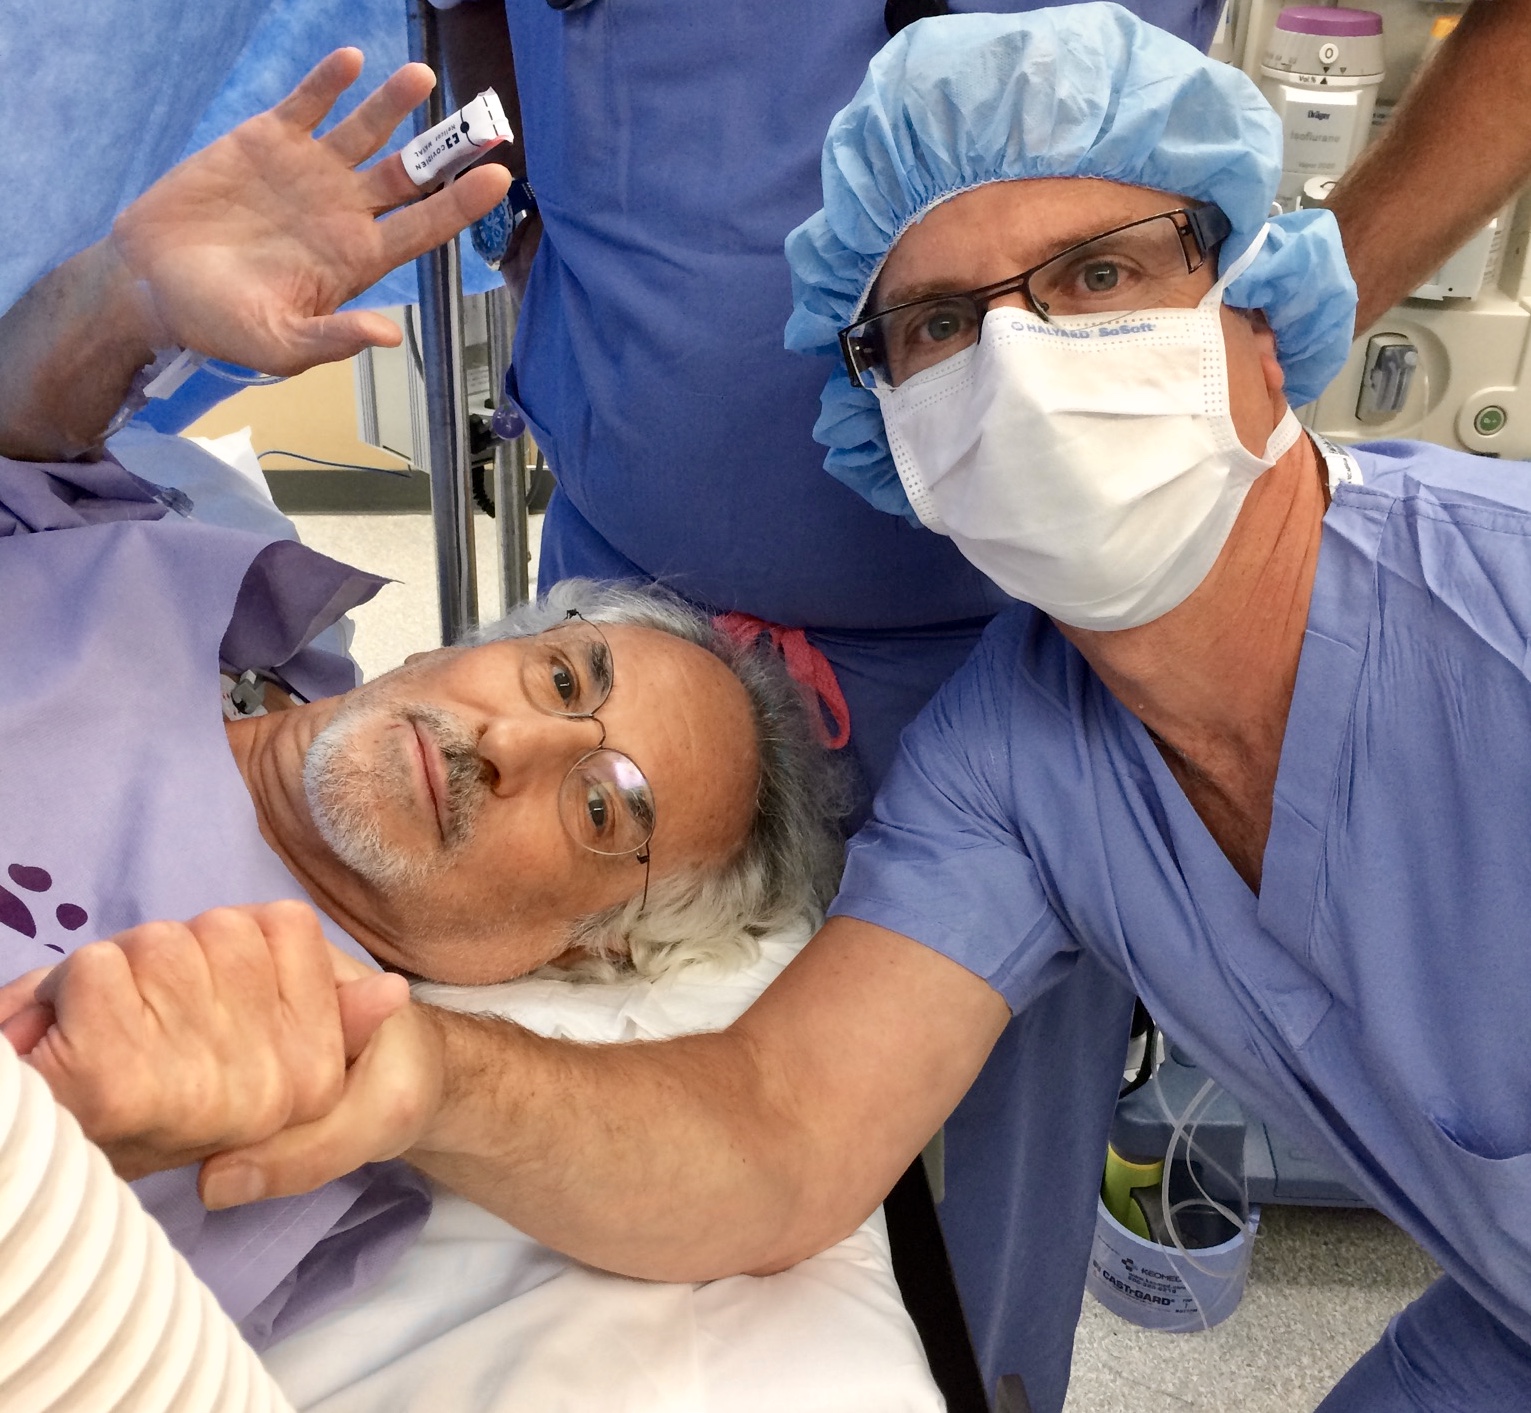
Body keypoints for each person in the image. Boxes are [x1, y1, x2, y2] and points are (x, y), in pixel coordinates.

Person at [118, 9, 1531, 1409]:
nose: (1029, 373)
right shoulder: (1021, 761)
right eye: (941, 329)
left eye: (1102, 275)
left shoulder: (1496, 612)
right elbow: (781, 1132)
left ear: (1262, 316)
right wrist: (421, 1065)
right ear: (894, 440)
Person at [0, 52, 841, 1351]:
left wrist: (56, 1123)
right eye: (565, 679)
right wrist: (124, 300)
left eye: (601, 805)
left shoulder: (263, 1073)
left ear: (578, 947)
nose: (517, 741)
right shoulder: (193, 575)